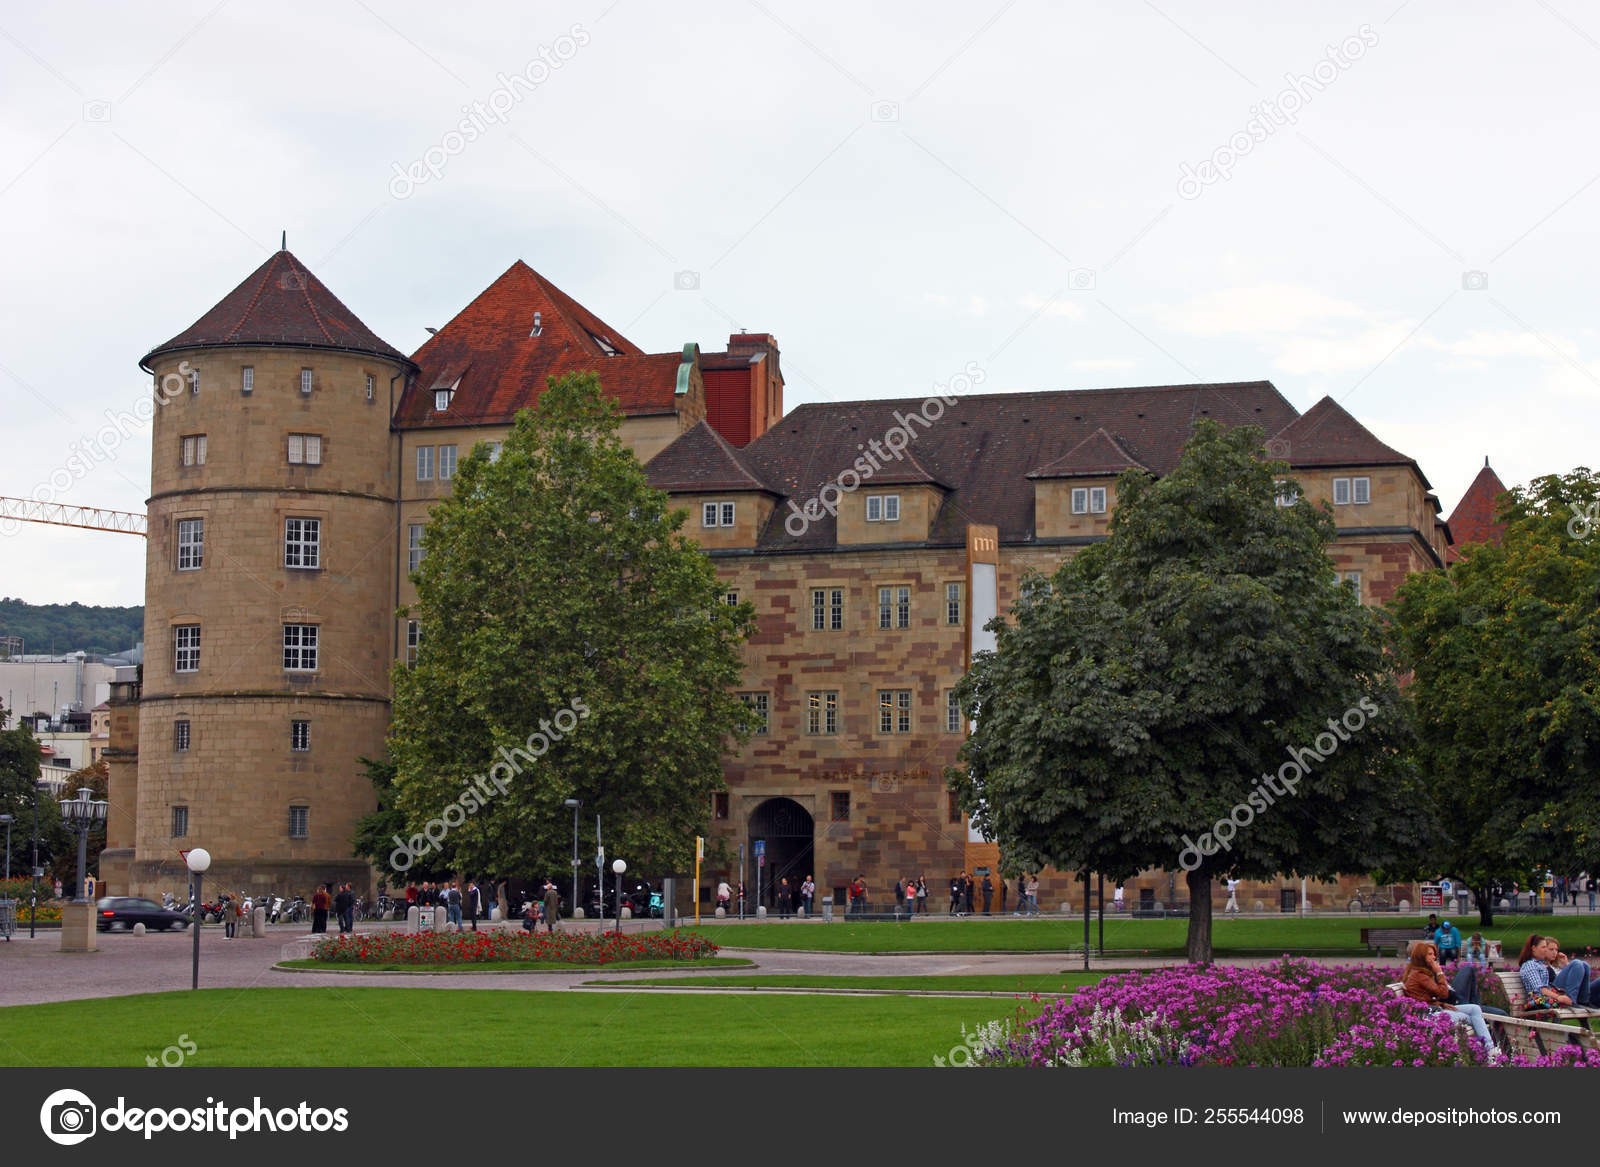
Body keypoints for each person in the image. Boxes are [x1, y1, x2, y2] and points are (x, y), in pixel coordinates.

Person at [1404, 941, 1495, 1053]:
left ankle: (1490, 1048)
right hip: (1428, 1015)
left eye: (1434, 954)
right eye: (1430, 954)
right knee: (1468, 1018)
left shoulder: (1422, 973)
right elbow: (1443, 993)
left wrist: (1442, 1004)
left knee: (1475, 1008)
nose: (1434, 957)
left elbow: (1426, 999)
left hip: (1435, 1009)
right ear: (1421, 956)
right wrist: (1439, 973)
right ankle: (1488, 1050)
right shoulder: (1419, 975)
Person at [1519, 934, 1597, 1008]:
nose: (1546, 951)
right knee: (1576, 963)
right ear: (1533, 948)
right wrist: (1559, 997)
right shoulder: (1530, 965)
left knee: (1584, 965)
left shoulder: (1540, 964)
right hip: (1541, 1000)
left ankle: (1583, 1001)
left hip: (1552, 994)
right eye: (1544, 948)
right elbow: (1540, 990)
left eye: (1546, 948)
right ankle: (1571, 1000)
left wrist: (1567, 965)